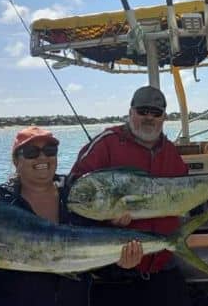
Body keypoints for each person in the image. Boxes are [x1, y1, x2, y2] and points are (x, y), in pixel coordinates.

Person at [0, 126, 142, 305]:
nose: (42, 158)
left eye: (50, 151)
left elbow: (101, 267)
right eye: (31, 153)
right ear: (16, 161)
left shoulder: (80, 200)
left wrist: (123, 263)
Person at [70, 86, 196, 306]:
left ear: (164, 117)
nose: (149, 118)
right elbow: (74, 196)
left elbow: (185, 193)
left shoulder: (170, 150)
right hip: (116, 273)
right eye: (142, 111)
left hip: (163, 265)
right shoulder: (106, 142)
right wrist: (108, 219)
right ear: (130, 113)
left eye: (155, 113)